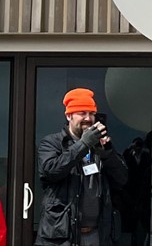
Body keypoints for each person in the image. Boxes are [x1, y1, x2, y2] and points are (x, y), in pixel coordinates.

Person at [35, 88, 128, 246]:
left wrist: (107, 154)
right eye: (82, 113)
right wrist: (83, 144)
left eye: (91, 114)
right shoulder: (52, 143)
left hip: (96, 234)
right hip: (62, 237)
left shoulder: (99, 145)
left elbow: (122, 179)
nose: (88, 118)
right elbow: (50, 171)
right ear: (69, 116)